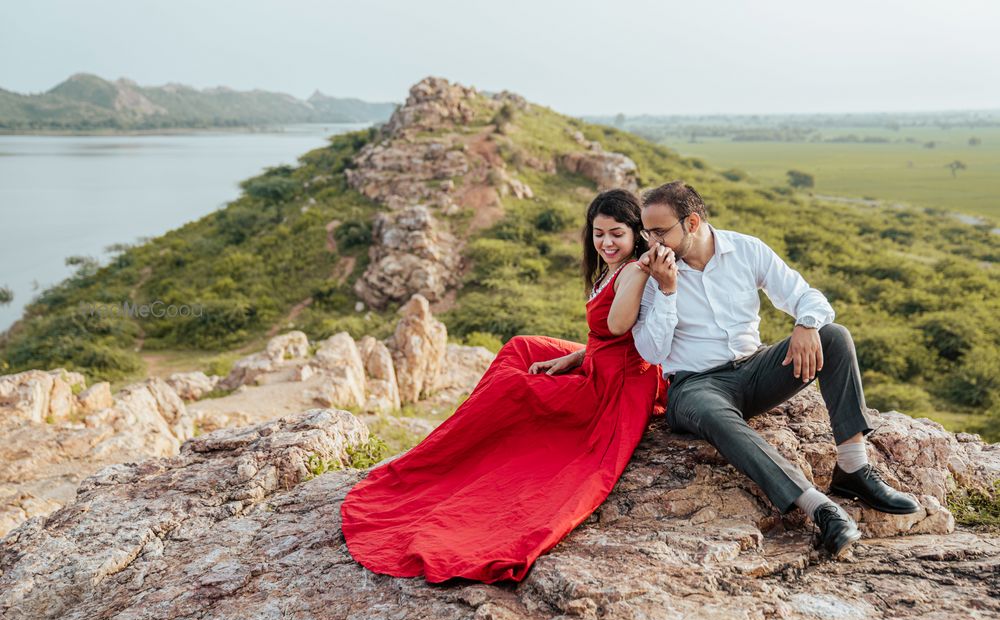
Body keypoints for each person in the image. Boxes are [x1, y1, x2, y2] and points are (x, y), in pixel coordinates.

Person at [341, 189, 666, 583]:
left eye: (616, 234)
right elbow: (607, 338)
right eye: (598, 234)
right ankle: (471, 436)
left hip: (613, 385)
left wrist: (645, 267)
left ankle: (470, 443)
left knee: (516, 388)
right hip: (596, 359)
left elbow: (617, 329)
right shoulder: (614, 269)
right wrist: (573, 357)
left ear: (637, 234)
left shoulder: (633, 271)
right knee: (522, 348)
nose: (606, 243)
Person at [632, 180, 919, 558]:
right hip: (694, 387)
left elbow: (806, 295)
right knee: (712, 412)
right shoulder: (651, 273)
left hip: (753, 369)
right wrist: (667, 290)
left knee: (833, 336)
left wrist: (806, 324)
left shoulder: (745, 249)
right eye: (645, 231)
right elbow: (651, 351)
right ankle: (820, 507)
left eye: (658, 231)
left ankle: (853, 470)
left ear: (692, 222)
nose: (651, 241)